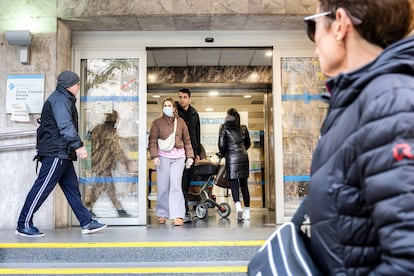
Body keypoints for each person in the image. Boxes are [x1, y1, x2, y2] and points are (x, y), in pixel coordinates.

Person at [304, 0, 414, 274]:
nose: (314, 41)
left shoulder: (390, 103)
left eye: (312, 25)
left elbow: (407, 258)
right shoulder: (359, 101)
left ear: (340, 24)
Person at [15, 71, 107, 237]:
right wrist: (78, 146)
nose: (79, 86)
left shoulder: (64, 98)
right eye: (77, 83)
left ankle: (86, 222)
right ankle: (23, 224)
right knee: (41, 188)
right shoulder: (60, 99)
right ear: (69, 85)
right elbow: (65, 124)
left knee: (72, 190)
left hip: (62, 153)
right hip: (56, 153)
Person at [148, 98, 194, 226]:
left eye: (169, 105)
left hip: (179, 157)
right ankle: (162, 214)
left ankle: (178, 215)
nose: (167, 107)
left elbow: (187, 140)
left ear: (174, 108)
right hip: (162, 157)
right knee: (163, 187)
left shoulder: (181, 122)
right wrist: (154, 155)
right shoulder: (157, 123)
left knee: (176, 186)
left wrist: (190, 156)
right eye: (165, 105)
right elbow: (152, 140)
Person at [87, 110, 131, 218]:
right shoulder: (110, 132)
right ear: (114, 119)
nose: (118, 120)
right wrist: (126, 162)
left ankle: (89, 207)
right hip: (103, 163)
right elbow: (116, 149)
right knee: (104, 186)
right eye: (117, 117)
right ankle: (118, 209)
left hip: (98, 162)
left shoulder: (97, 128)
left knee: (105, 186)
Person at [218, 108, 251, 222]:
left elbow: (221, 145)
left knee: (234, 185)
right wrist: (241, 151)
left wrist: (225, 154)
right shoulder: (243, 128)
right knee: (244, 186)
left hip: (231, 159)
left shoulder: (224, 128)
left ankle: (238, 209)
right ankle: (247, 211)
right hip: (243, 158)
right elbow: (248, 144)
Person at [176, 88, 201, 223]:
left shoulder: (194, 114)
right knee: (181, 181)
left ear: (189, 98)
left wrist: (197, 153)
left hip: (191, 153)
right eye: (180, 97)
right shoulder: (175, 113)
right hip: (178, 152)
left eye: (184, 97)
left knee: (187, 182)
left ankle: (184, 208)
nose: (182, 99)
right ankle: (184, 210)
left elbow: (197, 134)